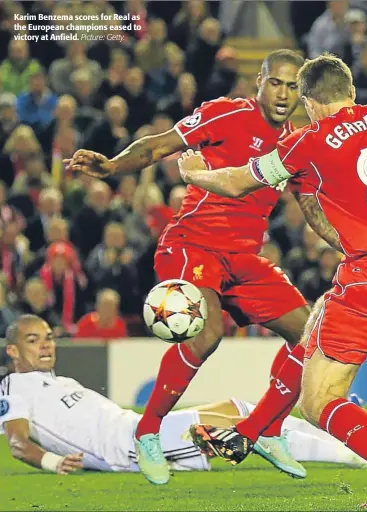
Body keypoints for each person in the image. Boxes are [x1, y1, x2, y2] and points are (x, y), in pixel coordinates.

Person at [178, 55, 367, 508]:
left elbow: (236, 183)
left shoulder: (308, 143)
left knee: (320, 402)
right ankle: (251, 433)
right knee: (310, 332)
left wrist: (194, 173)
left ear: (309, 103)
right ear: (350, 89)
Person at [64, 49, 313, 485]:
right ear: (260, 80)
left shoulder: (293, 142)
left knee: (309, 336)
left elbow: (312, 204)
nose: (283, 93)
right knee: (208, 333)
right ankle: (146, 432)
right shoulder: (226, 115)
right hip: (192, 244)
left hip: (245, 258)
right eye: (277, 82)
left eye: (293, 86)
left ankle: (268, 429)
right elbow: (160, 145)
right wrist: (112, 166)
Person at [0, 315, 367, 476]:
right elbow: (16, 442)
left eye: (47, 336)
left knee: (243, 411)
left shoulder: (58, 380)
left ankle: (349, 441)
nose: (45, 344)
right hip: (127, 447)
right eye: (33, 340)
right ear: (12, 350)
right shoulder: (13, 387)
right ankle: (360, 455)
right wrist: (51, 462)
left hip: (134, 430)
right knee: (245, 425)